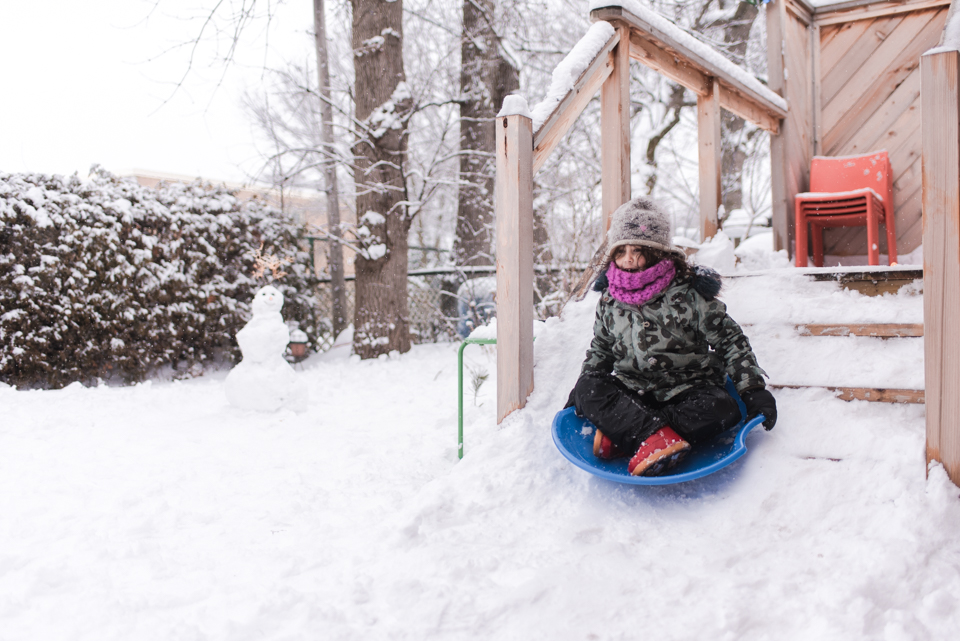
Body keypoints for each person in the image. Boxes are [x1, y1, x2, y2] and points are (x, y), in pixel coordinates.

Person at [566, 198, 777, 477]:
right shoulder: (609, 300)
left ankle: (631, 434)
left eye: (638, 250)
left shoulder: (688, 295)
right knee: (588, 388)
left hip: (687, 391)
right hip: (635, 393)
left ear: (656, 252)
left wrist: (753, 389)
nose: (628, 258)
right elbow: (602, 349)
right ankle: (651, 436)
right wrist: (583, 390)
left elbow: (730, 341)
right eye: (621, 251)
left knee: (723, 408)